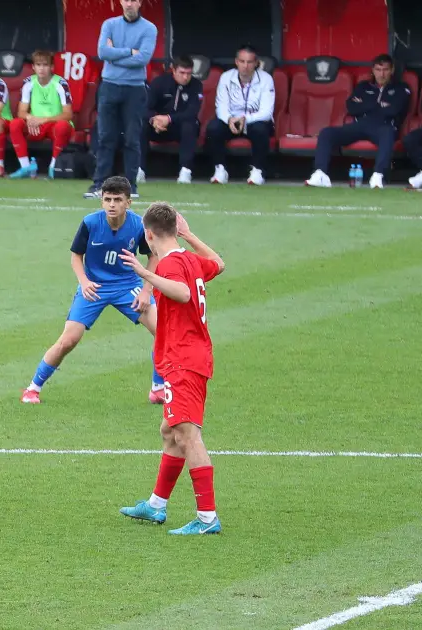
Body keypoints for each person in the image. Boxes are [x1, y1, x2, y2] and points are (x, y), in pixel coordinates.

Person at [118, 203, 225, 535]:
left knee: (187, 435)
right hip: (189, 357)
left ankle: (207, 518)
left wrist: (145, 274)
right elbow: (219, 264)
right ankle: (156, 505)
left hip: (183, 360)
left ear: (148, 234)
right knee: (169, 431)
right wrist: (190, 235)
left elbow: (180, 292)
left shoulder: (171, 264)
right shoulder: (189, 258)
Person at [22, 175, 165, 405]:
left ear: (128, 202)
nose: (111, 204)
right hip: (94, 288)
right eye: (107, 199)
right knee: (68, 340)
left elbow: (153, 257)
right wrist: (84, 282)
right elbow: (76, 256)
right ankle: (33, 388)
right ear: (101, 201)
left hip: (127, 285)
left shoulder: (139, 225)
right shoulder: (90, 223)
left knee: (163, 331)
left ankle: (158, 388)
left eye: (117, 199)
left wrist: (147, 290)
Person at [305, 54, 411, 190]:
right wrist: (379, 105)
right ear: (373, 70)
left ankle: (379, 175)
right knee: (326, 133)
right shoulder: (363, 86)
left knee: (388, 133)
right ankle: (320, 174)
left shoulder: (401, 88)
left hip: (384, 126)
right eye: (378, 70)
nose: (382, 74)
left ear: (392, 70)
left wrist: (366, 104)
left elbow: (395, 110)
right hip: (360, 125)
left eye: (385, 70)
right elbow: (351, 107)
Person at [86, 0, 157, 198]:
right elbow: (102, 52)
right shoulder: (109, 24)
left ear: (140, 2)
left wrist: (114, 54)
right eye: (126, 0)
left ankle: (130, 187)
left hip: (134, 89)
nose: (129, 4)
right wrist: (128, 51)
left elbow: (142, 59)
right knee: (106, 137)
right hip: (109, 86)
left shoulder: (149, 28)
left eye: (133, 0)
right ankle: (99, 185)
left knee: (132, 139)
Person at [206, 45, 275, 186]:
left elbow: (266, 113)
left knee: (260, 129)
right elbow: (221, 107)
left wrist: (245, 119)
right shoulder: (226, 77)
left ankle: (258, 171)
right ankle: (220, 169)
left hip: (254, 121)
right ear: (236, 62)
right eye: (242, 61)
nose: (245, 66)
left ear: (256, 63)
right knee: (213, 128)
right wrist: (229, 119)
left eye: (249, 62)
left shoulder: (266, 79)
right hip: (232, 120)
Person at [8, 50, 73, 180]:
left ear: (51, 67)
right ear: (33, 67)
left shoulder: (60, 83)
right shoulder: (28, 83)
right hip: (35, 125)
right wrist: (30, 118)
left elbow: (68, 114)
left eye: (45, 65)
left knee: (62, 126)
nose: (41, 68)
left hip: (53, 125)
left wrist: (44, 120)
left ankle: (53, 167)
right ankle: (26, 166)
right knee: (15, 123)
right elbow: (21, 112)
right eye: (38, 65)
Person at [139, 55, 202, 184]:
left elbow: (191, 112)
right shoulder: (159, 82)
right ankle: (139, 170)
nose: (185, 77)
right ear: (173, 70)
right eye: (182, 73)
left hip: (179, 127)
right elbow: (145, 108)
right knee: (140, 124)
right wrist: (154, 120)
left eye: (189, 73)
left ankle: (185, 171)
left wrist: (169, 118)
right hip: (158, 127)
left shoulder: (196, 85)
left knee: (191, 125)